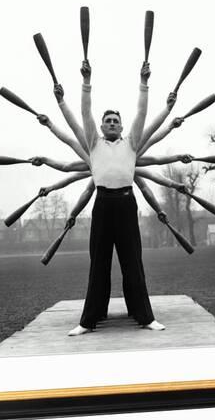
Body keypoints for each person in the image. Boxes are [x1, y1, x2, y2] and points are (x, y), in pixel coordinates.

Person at [67, 59, 165, 336]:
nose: (112, 123)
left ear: (122, 127)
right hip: (102, 203)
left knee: (132, 261)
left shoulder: (132, 143)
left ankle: (145, 316)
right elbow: (84, 112)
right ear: (101, 126)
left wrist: (143, 83)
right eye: (107, 120)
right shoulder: (93, 142)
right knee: (99, 263)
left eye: (116, 121)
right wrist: (86, 81)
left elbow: (141, 113)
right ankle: (89, 321)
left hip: (126, 203)